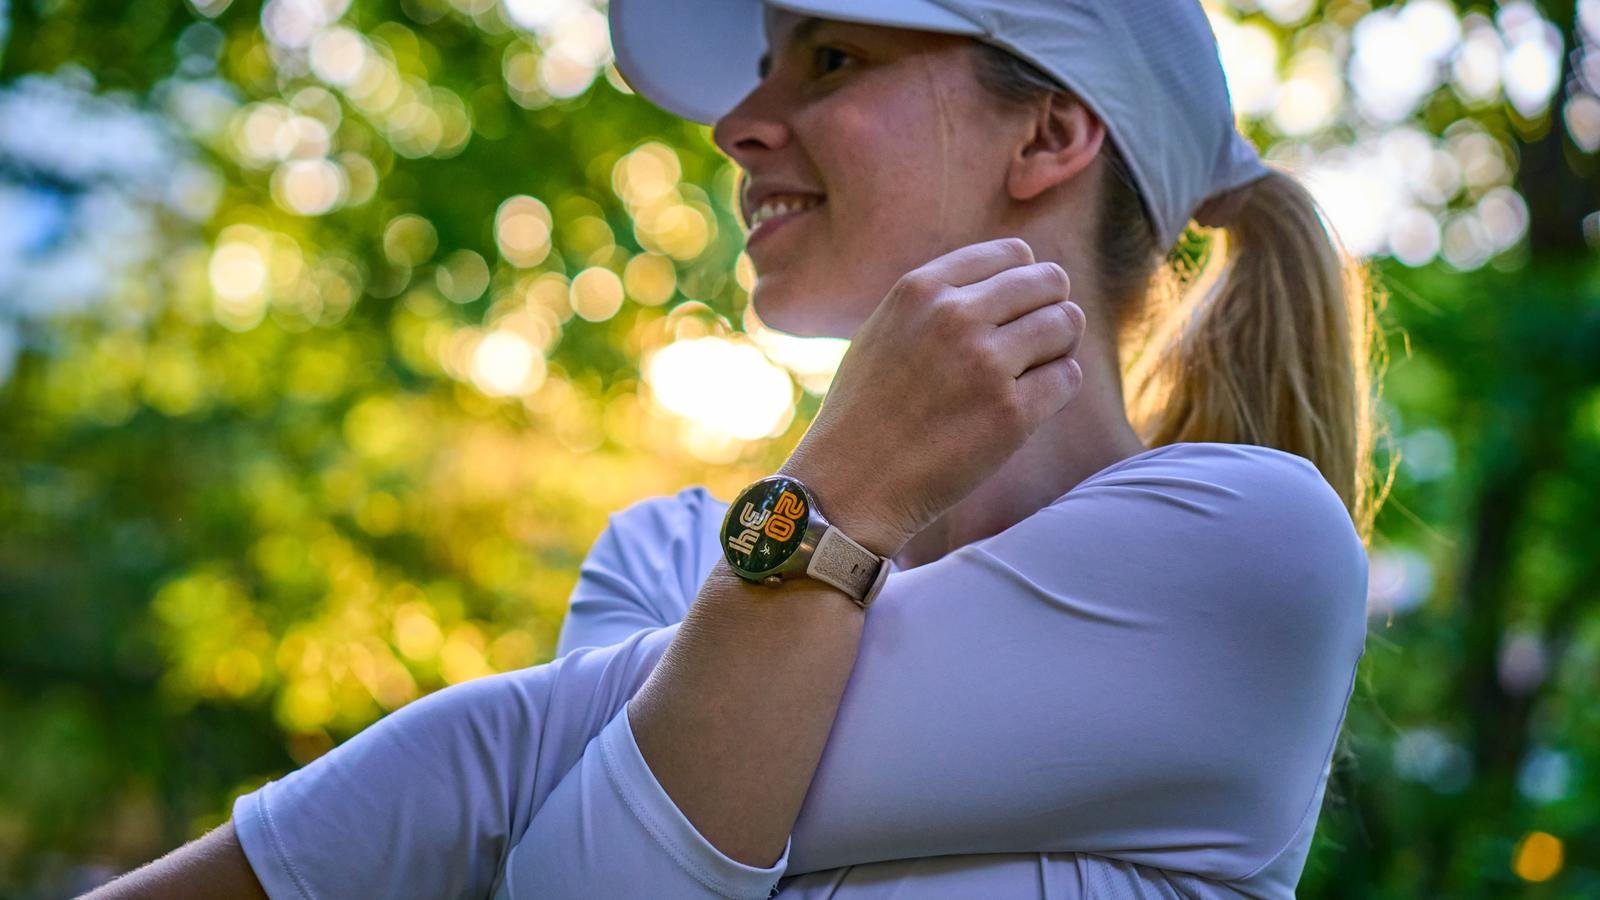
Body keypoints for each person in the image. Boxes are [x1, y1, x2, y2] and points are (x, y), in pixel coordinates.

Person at [86, 0, 1389, 897]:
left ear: (1050, 133)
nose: (738, 124)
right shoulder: (660, 554)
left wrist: (828, 506)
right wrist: (833, 504)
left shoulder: (1245, 550)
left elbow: (516, 800)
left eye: (830, 59)